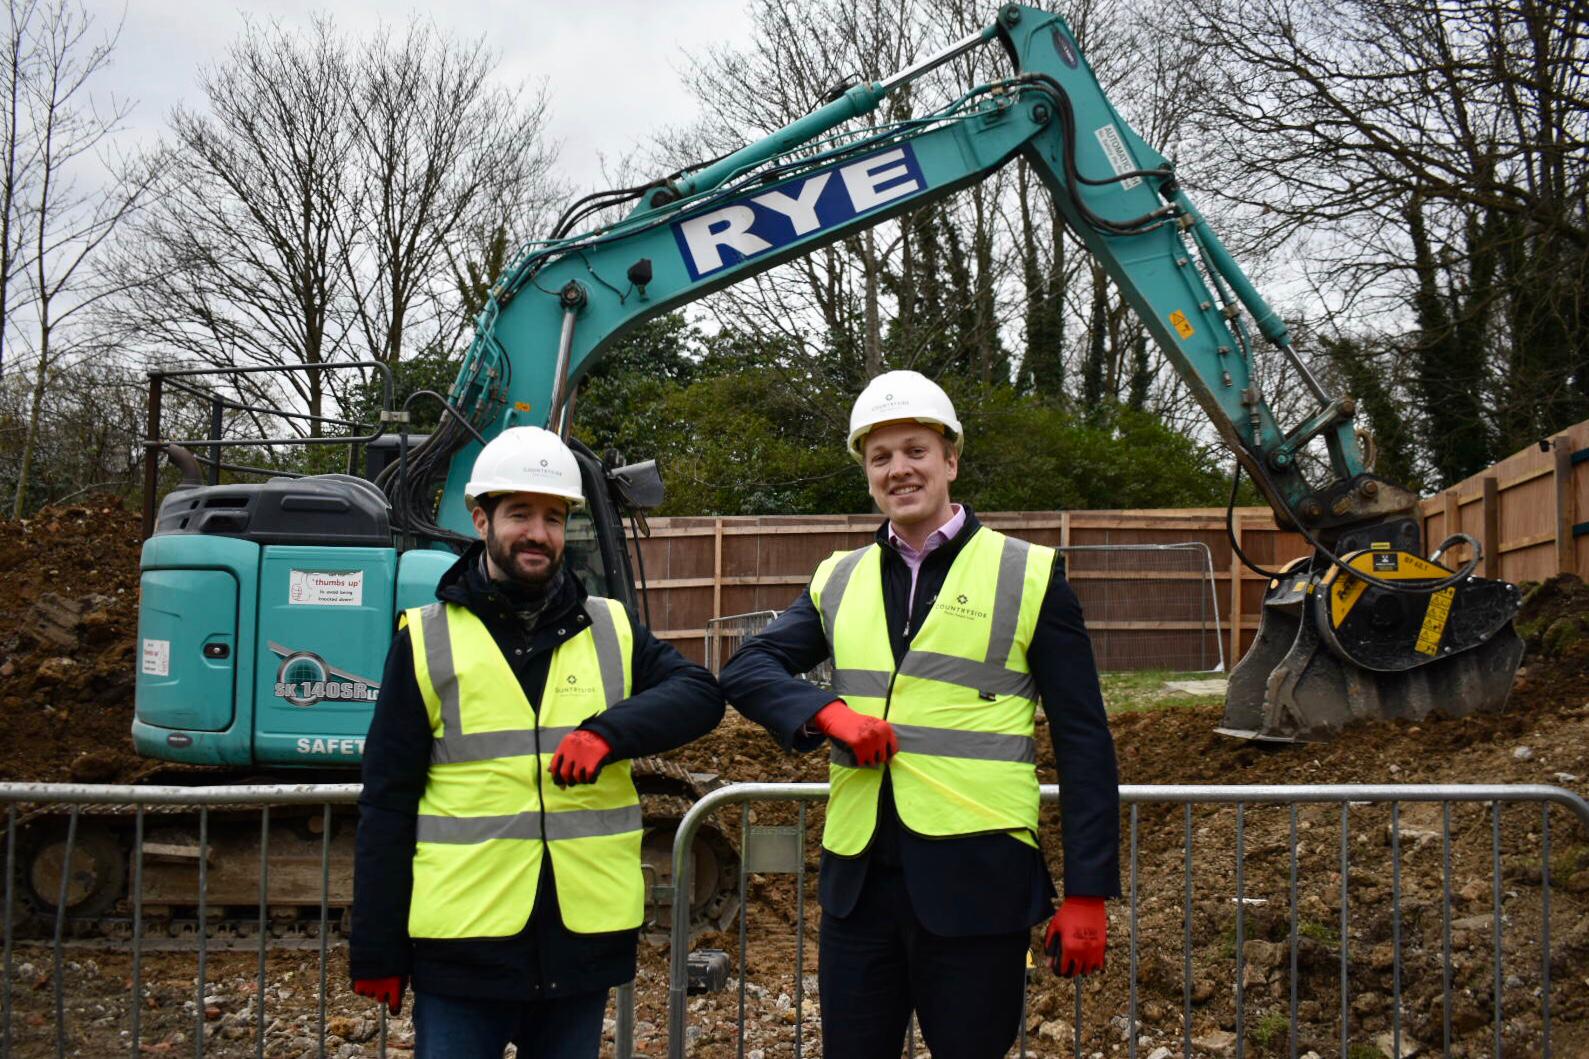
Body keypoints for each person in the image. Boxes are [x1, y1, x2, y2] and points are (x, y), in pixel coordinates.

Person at [720, 370, 1121, 1059]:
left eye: (914, 450)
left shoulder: (1028, 574)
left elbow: (1085, 739)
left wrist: (1087, 891)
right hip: (860, 885)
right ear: (867, 474)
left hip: (978, 881)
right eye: (880, 457)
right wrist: (826, 714)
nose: (898, 469)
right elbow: (746, 668)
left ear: (950, 460)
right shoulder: (837, 577)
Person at [350, 426, 724, 1059]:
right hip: (464, 947)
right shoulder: (426, 639)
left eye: (554, 517)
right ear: (481, 519)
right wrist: (379, 948)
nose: (538, 532)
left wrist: (608, 733)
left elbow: (700, 693)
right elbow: (387, 804)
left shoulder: (607, 626)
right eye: (519, 513)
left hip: (580, 946)